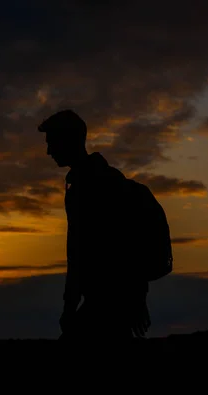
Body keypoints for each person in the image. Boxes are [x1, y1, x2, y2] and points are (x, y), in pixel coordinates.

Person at [38, 109, 151, 341]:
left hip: (109, 301)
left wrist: (137, 299)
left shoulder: (92, 185)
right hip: (110, 300)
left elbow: (119, 244)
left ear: (68, 140)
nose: (49, 151)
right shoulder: (92, 181)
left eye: (52, 143)